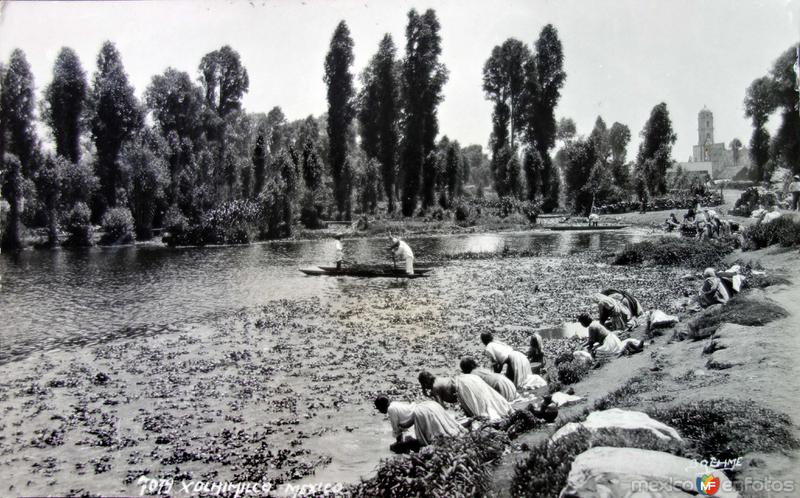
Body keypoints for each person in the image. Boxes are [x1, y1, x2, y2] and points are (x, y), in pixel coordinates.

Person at [374, 395, 465, 452]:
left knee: (431, 440)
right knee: (441, 430)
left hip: (420, 413)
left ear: (382, 406)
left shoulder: (391, 409)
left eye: (379, 408)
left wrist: (398, 444)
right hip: (424, 407)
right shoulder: (394, 404)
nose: (379, 411)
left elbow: (396, 429)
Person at [418, 370, 512, 422]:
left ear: (425, 382)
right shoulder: (438, 379)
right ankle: (502, 411)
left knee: (478, 411)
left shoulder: (435, 388)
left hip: (462, 387)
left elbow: (441, 407)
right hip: (464, 380)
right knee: (484, 401)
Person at [577, 313, 644, 357]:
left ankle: (628, 346)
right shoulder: (594, 323)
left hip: (608, 341)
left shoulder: (591, 327)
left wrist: (582, 346)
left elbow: (591, 342)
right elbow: (592, 341)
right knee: (619, 346)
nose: (582, 325)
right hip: (611, 338)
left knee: (598, 352)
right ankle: (634, 345)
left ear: (584, 321)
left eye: (581, 323)